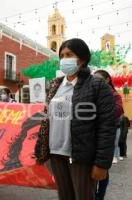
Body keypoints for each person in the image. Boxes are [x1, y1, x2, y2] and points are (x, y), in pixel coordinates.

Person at [35, 38, 117, 200]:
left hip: (81, 157)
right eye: (62, 55)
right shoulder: (55, 86)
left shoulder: (97, 86)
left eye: (69, 54)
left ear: (82, 58)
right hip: (56, 154)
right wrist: (41, 149)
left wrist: (102, 164)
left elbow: (107, 126)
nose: (64, 59)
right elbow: (46, 119)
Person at [94, 70, 124, 200]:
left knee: (102, 167)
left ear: (107, 80)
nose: (95, 81)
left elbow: (118, 110)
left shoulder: (114, 95)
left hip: (107, 134)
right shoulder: (91, 93)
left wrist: (99, 110)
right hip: (90, 136)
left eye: (98, 79)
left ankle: (100, 196)